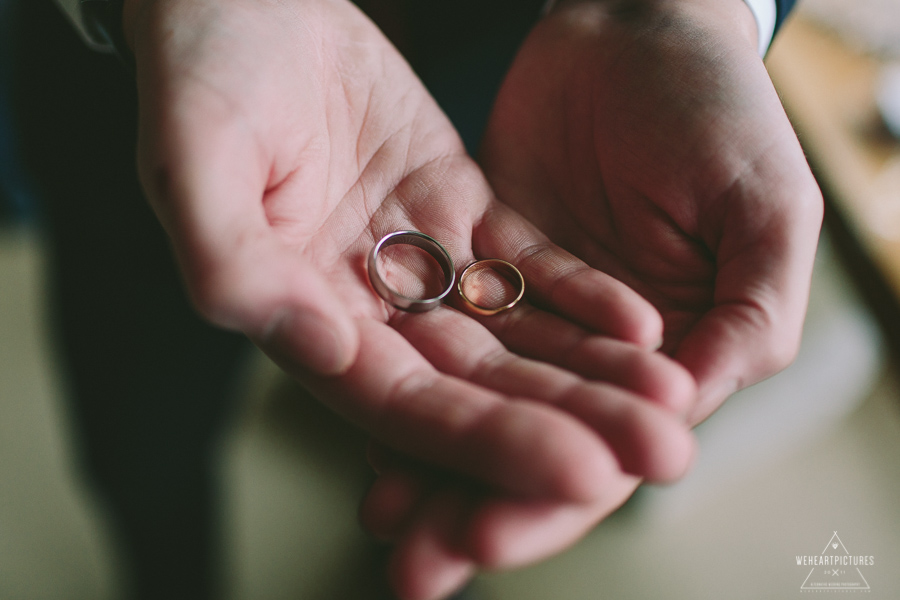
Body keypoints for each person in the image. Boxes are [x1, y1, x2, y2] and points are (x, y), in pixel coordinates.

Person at [16, 0, 820, 598]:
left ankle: (415, 553)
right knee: (143, 431)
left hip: (537, 88)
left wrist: (679, 9)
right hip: (142, 103)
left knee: (456, 440)